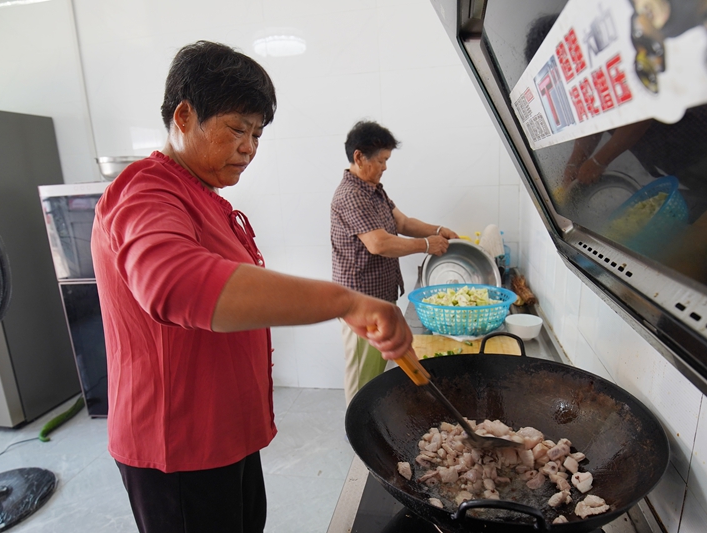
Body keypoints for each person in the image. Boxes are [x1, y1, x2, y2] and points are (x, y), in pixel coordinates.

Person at [91, 41, 413, 533]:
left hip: (223, 432)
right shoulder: (145, 190)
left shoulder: (201, 193)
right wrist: (344, 300)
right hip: (178, 444)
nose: (249, 148)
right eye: (237, 129)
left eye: (257, 134)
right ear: (184, 116)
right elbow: (177, 284)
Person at [330, 120, 458, 405]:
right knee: (362, 375)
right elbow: (379, 243)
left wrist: (437, 231)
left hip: (378, 299)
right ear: (359, 157)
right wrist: (427, 245)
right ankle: (356, 424)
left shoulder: (374, 190)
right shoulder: (351, 195)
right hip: (360, 302)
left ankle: (369, 417)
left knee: (375, 371)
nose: (385, 167)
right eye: (382, 160)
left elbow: (403, 222)